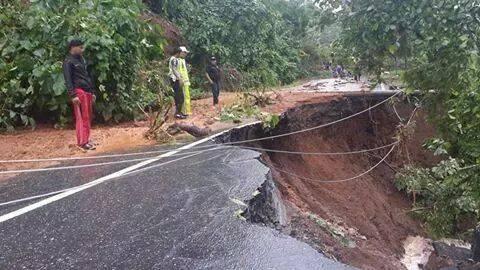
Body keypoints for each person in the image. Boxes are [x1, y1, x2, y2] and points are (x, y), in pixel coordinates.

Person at [62, 39, 96, 151]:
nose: (82, 49)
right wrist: (73, 95)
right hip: (79, 92)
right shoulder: (68, 61)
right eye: (80, 47)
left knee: (88, 117)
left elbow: (86, 76)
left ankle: (86, 139)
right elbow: (68, 79)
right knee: (81, 117)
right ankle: (82, 142)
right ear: (73, 47)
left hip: (87, 91)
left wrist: (92, 92)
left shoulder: (81, 60)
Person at [168, 48, 187, 119]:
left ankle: (179, 112)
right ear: (178, 53)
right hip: (174, 80)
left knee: (179, 97)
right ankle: (177, 113)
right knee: (179, 97)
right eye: (181, 53)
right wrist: (179, 78)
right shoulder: (174, 59)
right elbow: (174, 69)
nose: (182, 55)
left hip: (175, 79)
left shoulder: (173, 59)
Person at [177, 46, 192, 115]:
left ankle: (187, 111)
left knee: (187, 96)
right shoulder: (178, 61)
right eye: (184, 52)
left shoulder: (183, 60)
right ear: (181, 52)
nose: (185, 54)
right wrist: (181, 80)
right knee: (184, 97)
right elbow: (179, 71)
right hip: (183, 82)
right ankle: (185, 111)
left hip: (186, 81)